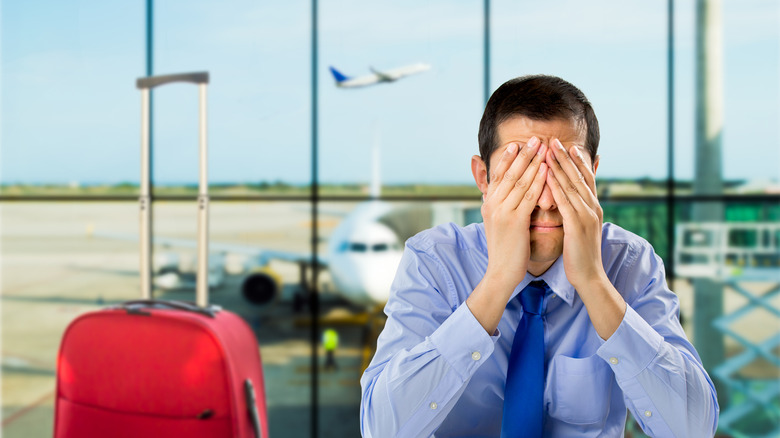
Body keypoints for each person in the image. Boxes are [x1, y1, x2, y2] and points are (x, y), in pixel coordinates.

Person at [360, 75, 719, 437]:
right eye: (524, 174)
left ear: (591, 176)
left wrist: (595, 283)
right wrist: (497, 281)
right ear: (484, 177)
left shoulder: (629, 263)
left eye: (565, 174)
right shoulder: (434, 261)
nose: (546, 202)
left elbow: (693, 429)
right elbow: (382, 428)